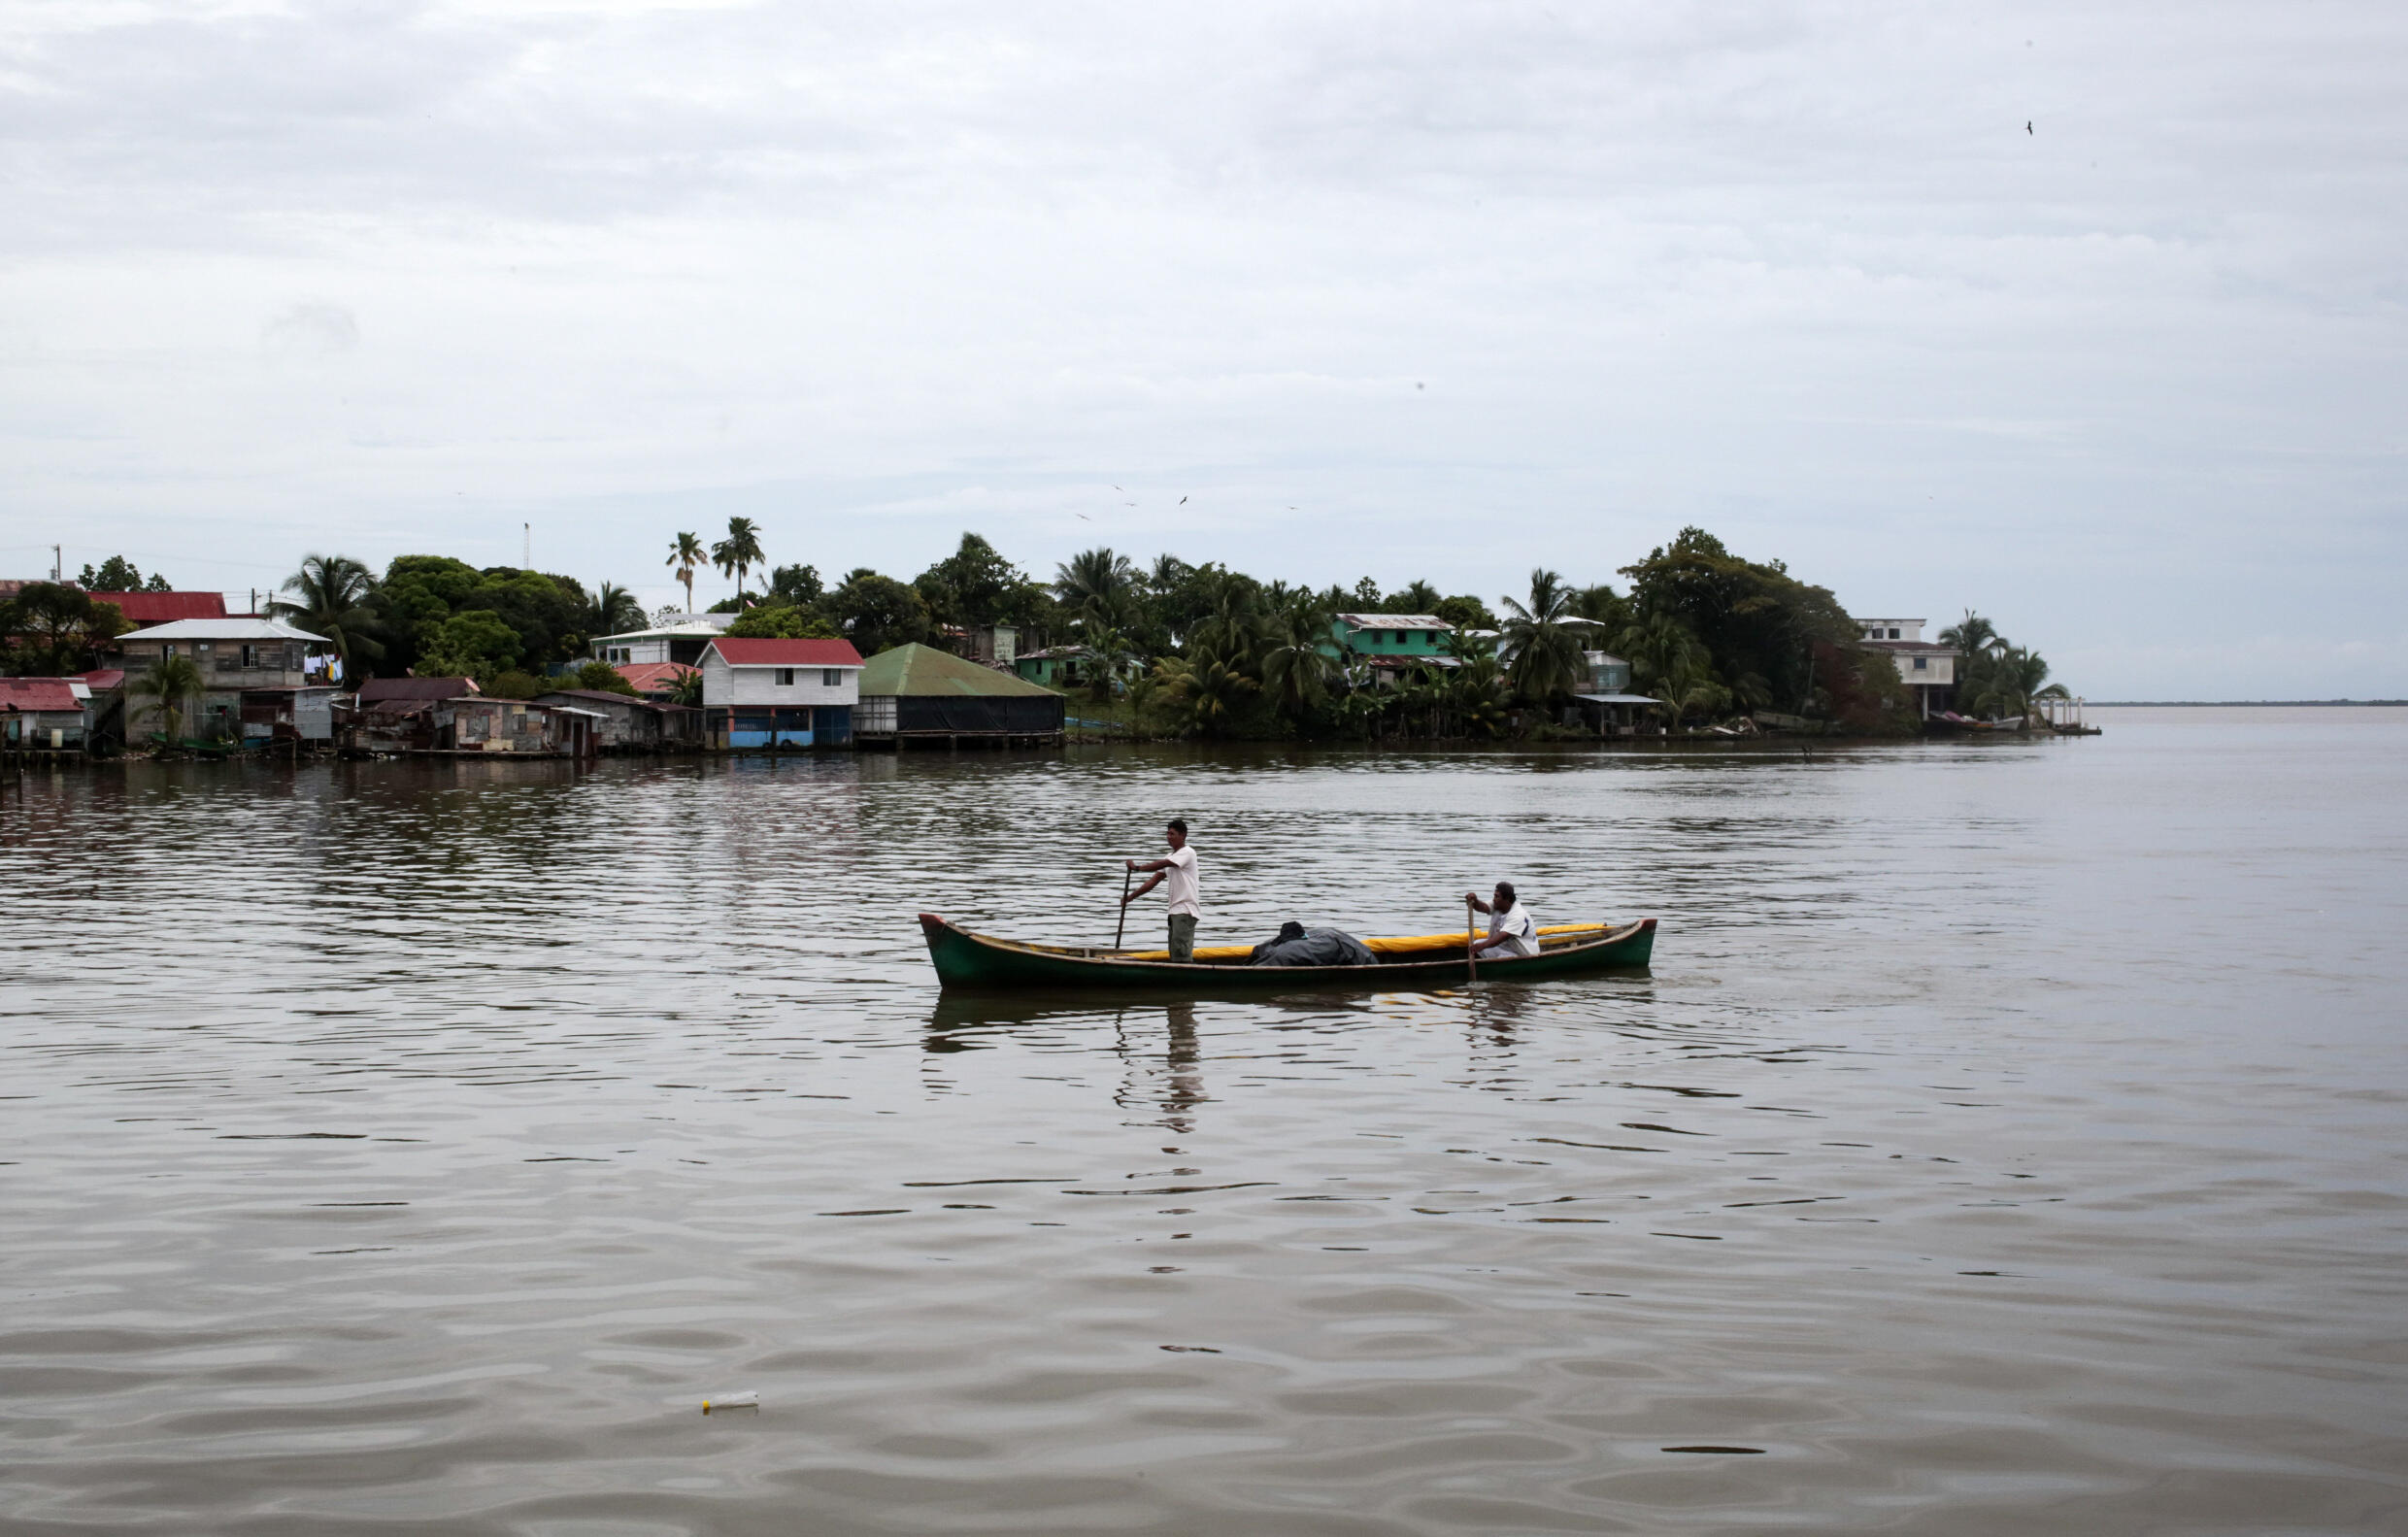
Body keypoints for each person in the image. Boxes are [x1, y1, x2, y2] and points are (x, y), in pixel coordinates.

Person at [1125, 819, 1201, 961]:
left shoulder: (1187, 852)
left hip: (1186, 910)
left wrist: (1137, 868)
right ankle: (1177, 978)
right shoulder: (1171, 856)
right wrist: (1131, 897)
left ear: (1183, 835)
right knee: (1175, 952)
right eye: (1167, 834)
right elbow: (1153, 881)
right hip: (1174, 911)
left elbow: (1163, 863)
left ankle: (1186, 979)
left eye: (1172, 834)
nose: (1168, 837)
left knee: (1181, 953)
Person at [1464, 881, 1540, 958]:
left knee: (1486, 948)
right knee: (1477, 943)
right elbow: (1483, 907)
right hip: (1504, 948)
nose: (1494, 899)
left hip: (1523, 955)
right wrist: (1475, 901)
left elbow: (1503, 936)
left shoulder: (1518, 915)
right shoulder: (1498, 905)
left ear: (1507, 899)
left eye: (1497, 896)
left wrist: (1482, 946)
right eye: (1494, 896)